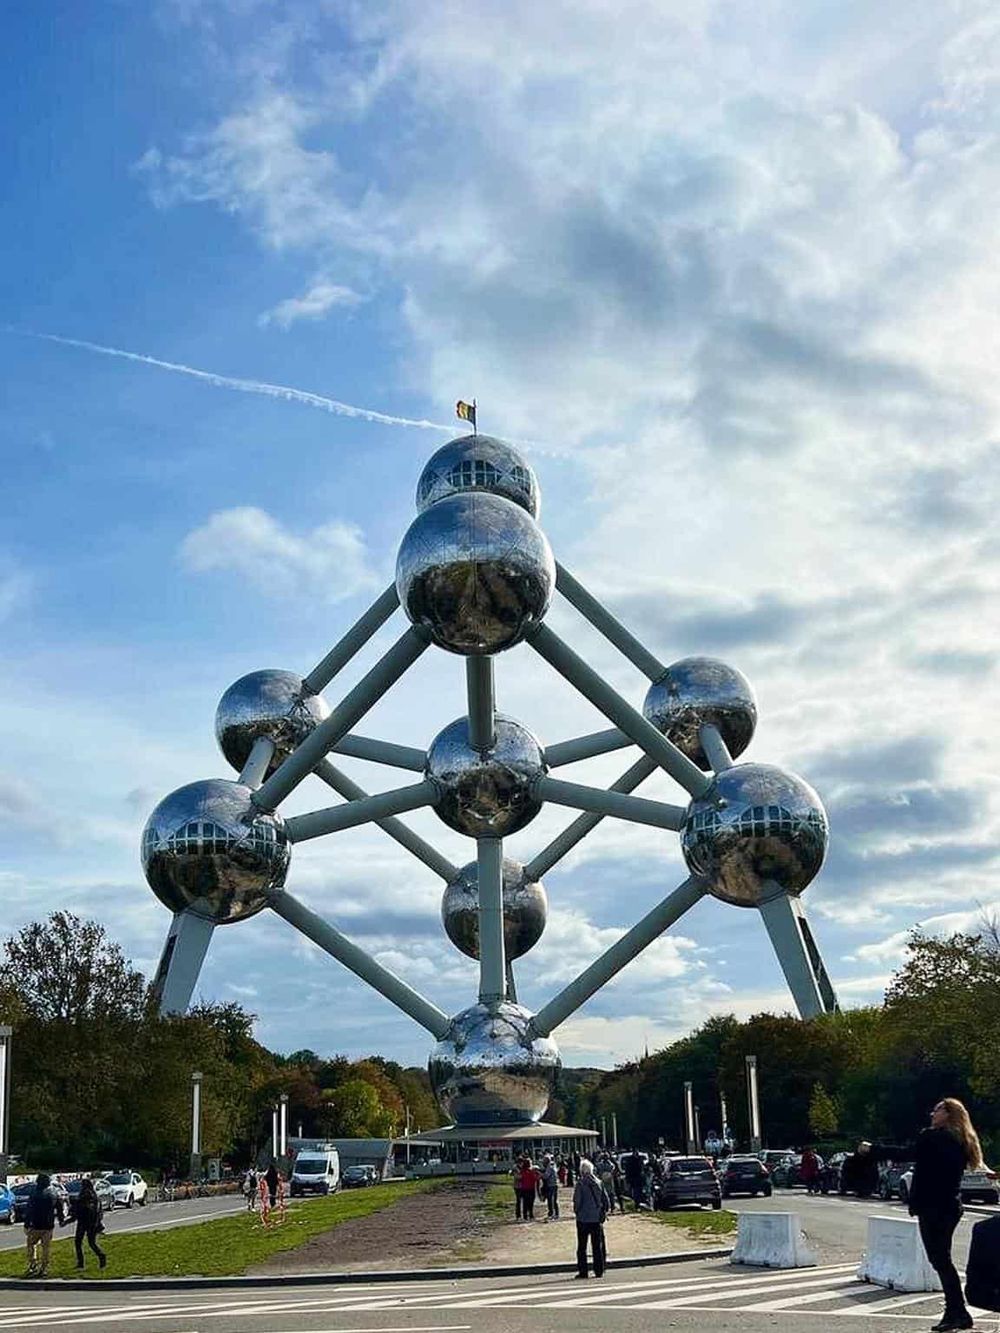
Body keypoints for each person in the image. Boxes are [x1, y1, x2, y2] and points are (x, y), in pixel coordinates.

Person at [877, 1097, 984, 1332]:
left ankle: (957, 1312)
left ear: (948, 1114)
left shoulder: (933, 1137)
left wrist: (872, 1150)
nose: (932, 1114)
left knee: (940, 1260)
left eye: (937, 1110)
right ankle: (957, 1312)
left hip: (932, 1207)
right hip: (950, 1206)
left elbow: (907, 1153)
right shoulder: (961, 1140)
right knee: (942, 1259)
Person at [23, 1173, 66, 1278]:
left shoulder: (34, 1193)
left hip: (35, 1225)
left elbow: (29, 1210)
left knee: (31, 1245)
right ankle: (44, 1268)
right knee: (46, 1248)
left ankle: (33, 1264)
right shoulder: (54, 1192)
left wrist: (26, 1223)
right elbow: (59, 1207)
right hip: (48, 1225)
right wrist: (61, 1220)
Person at [572, 1159, 609, 1279]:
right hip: (596, 1218)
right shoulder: (599, 1182)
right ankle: (599, 1270)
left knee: (582, 1247)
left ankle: (583, 1271)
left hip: (583, 1219)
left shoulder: (580, 1184)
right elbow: (606, 1200)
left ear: (582, 1171)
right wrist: (603, 1211)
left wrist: (576, 1211)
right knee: (597, 1246)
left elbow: (577, 1201)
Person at [69, 1178, 106, 1271]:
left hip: (85, 1222)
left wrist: (69, 1219)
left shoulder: (85, 1196)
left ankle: (82, 1263)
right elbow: (99, 1212)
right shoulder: (94, 1196)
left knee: (80, 1242)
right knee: (90, 1243)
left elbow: (79, 1211)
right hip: (89, 1223)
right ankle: (100, 1257)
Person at [541, 1154, 560, 1220]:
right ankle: (556, 1214)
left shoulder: (549, 1167)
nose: (543, 1162)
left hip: (551, 1185)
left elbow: (546, 1176)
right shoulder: (553, 1165)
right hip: (554, 1184)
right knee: (554, 1200)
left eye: (544, 1161)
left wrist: (540, 1174)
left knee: (551, 1200)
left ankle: (552, 1213)